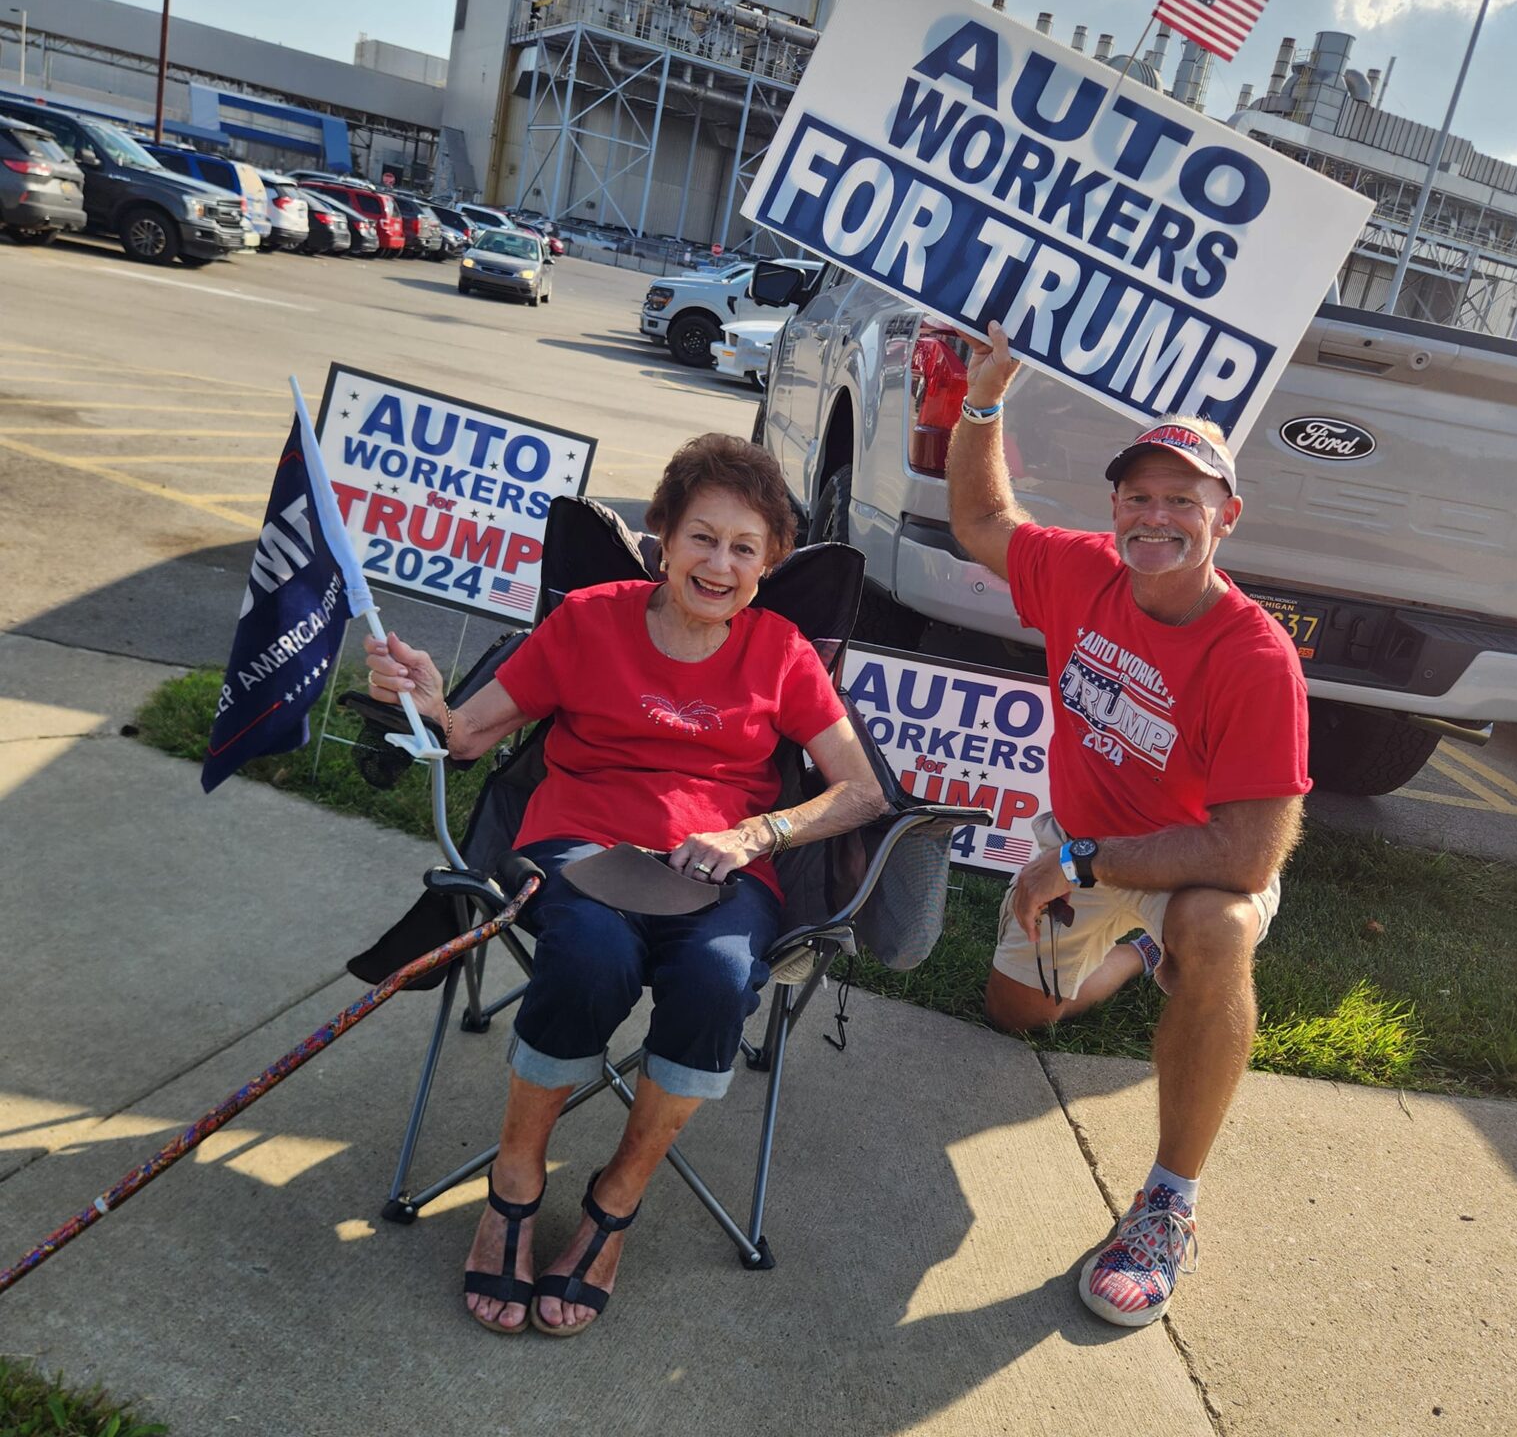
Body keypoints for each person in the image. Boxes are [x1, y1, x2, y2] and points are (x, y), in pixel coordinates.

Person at [364, 434, 884, 1338]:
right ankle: (517, 1178)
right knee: (589, 956)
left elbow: (862, 789)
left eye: (744, 548)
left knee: (717, 983)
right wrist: (422, 696)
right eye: (701, 538)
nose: (719, 565)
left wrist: (758, 832)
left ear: (770, 563)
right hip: (582, 844)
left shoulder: (782, 651)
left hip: (721, 866)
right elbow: (467, 734)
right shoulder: (590, 619)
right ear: (663, 536)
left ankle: (618, 1196)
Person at [945, 323, 1309, 1328]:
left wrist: (1076, 858)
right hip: (1085, 848)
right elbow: (981, 519)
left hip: (1187, 863)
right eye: (1138, 498)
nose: (1156, 518)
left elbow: (1249, 853)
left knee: (1217, 928)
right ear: (1115, 508)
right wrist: (984, 401)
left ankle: (1168, 1204)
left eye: (1181, 501)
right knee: (1018, 1016)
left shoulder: (1257, 658)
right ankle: (1138, 949)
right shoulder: (1083, 572)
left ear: (1226, 516)